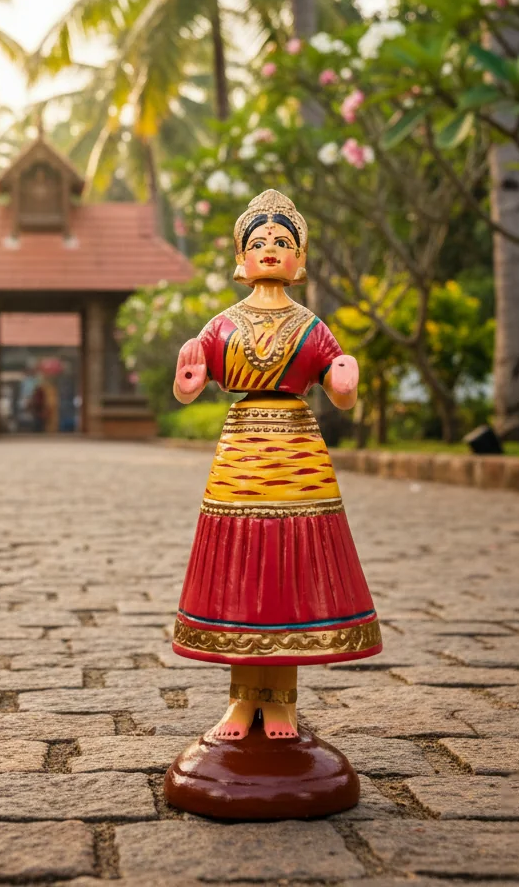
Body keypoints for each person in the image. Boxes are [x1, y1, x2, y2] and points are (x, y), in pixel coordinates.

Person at [171, 189, 381, 742]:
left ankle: (282, 702)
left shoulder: (311, 326)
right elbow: (191, 384)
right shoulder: (220, 326)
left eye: (283, 242)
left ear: (299, 259)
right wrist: (187, 380)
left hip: (296, 456)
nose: (270, 249)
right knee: (242, 569)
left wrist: (344, 378)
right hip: (241, 455)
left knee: (287, 572)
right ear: (241, 258)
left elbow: (338, 388)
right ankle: (241, 701)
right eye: (259, 241)